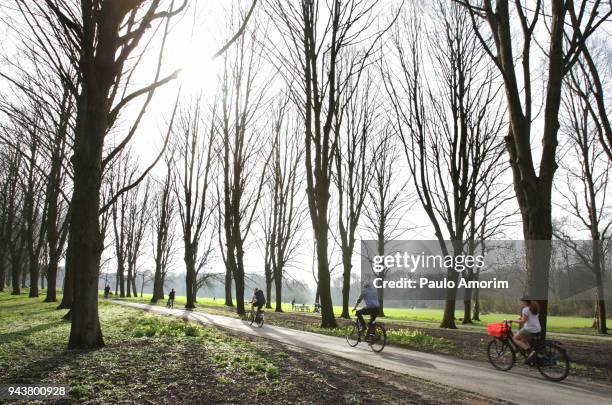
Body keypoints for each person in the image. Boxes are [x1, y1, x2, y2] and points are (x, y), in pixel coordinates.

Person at [512, 297, 541, 362]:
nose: (522, 303)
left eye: (522, 301)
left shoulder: (525, 309)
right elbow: (530, 318)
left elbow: (523, 321)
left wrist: (512, 321)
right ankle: (531, 355)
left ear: (525, 301)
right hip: (537, 329)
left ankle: (529, 351)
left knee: (515, 338)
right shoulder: (534, 308)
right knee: (523, 341)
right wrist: (521, 318)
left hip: (529, 329)